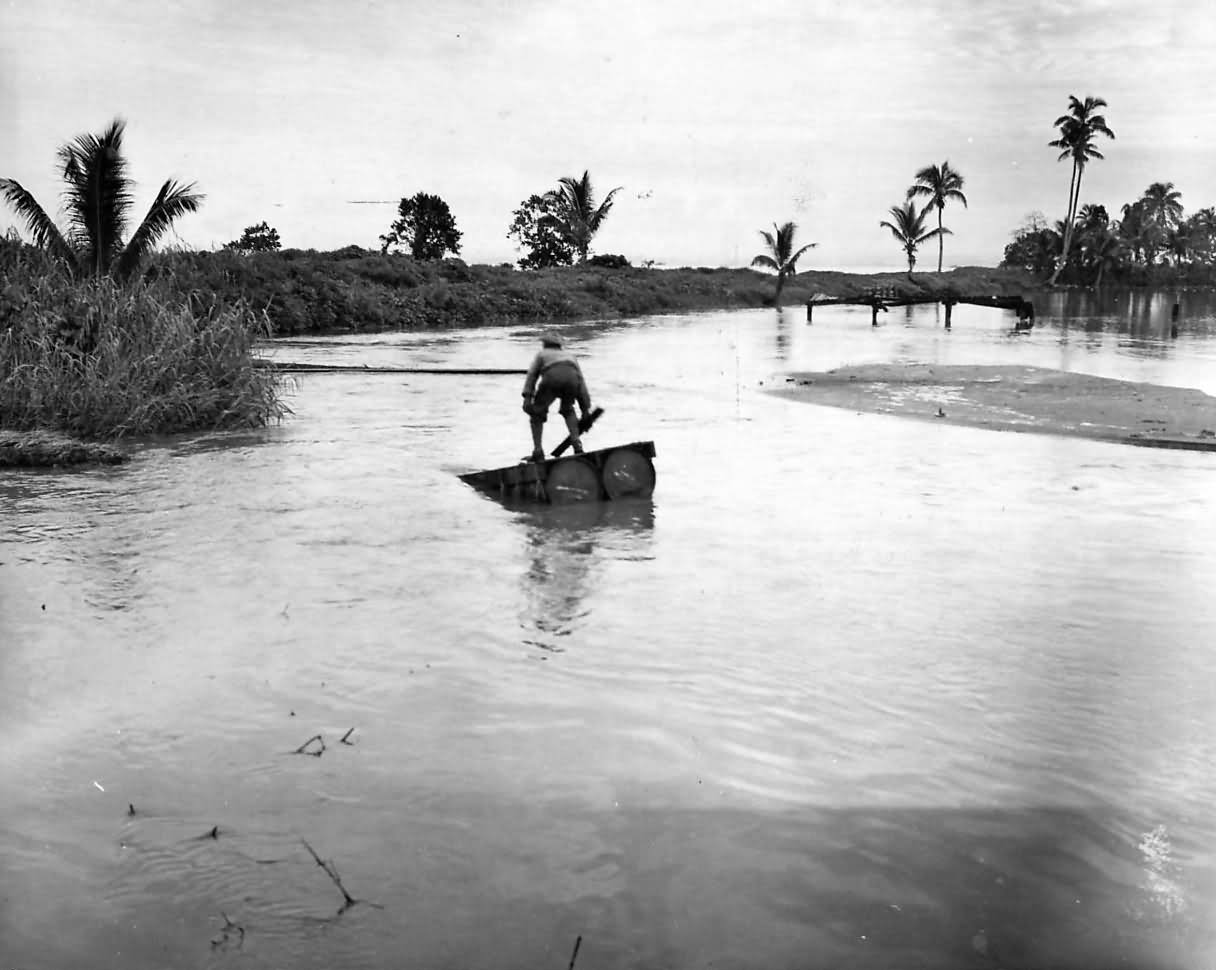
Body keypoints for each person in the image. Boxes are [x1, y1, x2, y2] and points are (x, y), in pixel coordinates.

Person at [521, 331, 592, 462]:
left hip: (552, 377)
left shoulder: (542, 354)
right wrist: (585, 410)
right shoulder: (570, 356)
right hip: (572, 379)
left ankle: (538, 451)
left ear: (545, 344)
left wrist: (527, 397)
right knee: (568, 409)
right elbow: (581, 382)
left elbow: (532, 375)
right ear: (560, 345)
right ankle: (577, 445)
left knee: (537, 414)